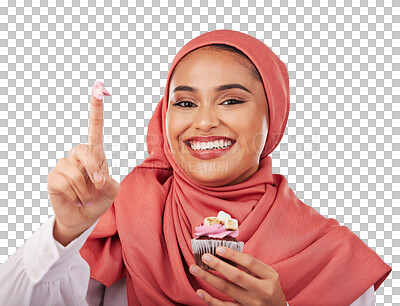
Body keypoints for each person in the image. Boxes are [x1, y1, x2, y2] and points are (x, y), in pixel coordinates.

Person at [0, 29, 391, 305]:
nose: (203, 122)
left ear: (274, 117)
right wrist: (67, 230)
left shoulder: (329, 254)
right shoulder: (123, 220)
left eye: (231, 101)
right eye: (185, 103)